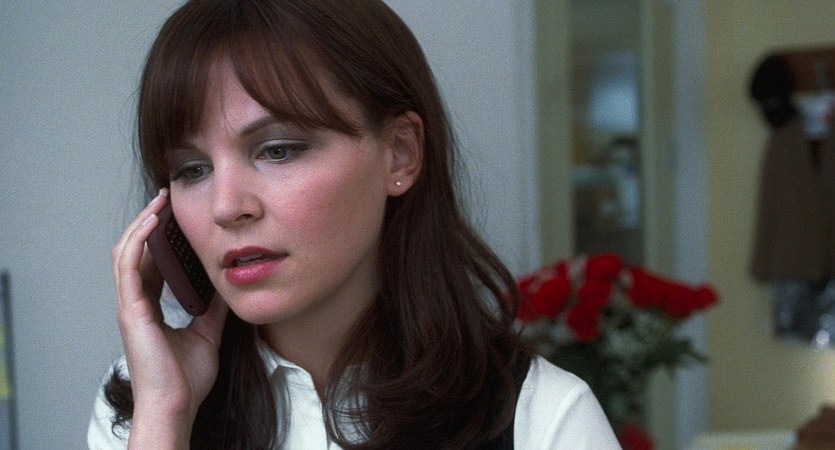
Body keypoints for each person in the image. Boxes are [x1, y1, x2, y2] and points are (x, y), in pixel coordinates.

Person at [88, 0, 619, 448]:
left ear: (400, 154)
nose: (226, 207)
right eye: (192, 170)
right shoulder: (146, 403)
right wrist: (165, 414)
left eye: (278, 150)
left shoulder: (542, 418)